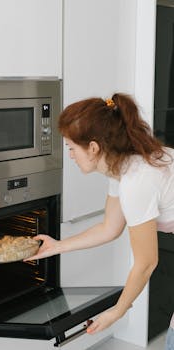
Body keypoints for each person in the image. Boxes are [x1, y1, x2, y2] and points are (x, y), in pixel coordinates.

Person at [24, 93, 174, 349]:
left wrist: (117, 311)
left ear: (93, 147)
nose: (70, 155)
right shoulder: (121, 167)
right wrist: (58, 246)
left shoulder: (137, 180)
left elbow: (147, 262)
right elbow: (110, 228)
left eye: (72, 147)